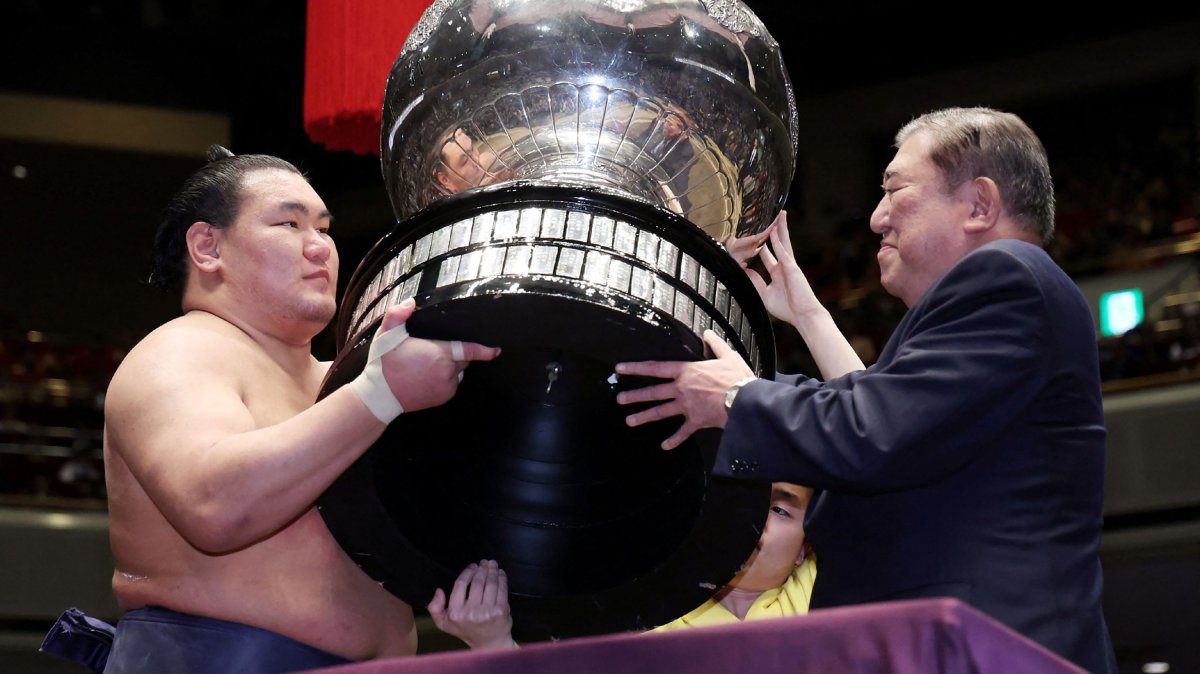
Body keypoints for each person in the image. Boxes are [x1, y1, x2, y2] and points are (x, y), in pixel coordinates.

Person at [615, 107, 1117, 673]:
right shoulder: (1002, 299)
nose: (876, 219)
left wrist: (737, 398)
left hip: (979, 650)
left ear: (979, 204)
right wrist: (804, 314)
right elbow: (892, 419)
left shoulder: (1007, 274)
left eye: (895, 191)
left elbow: (874, 430)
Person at [44, 145, 510, 673]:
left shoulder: (349, 383)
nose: (319, 248)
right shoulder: (180, 352)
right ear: (207, 247)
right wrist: (379, 392)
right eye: (289, 224)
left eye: (325, 229)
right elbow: (214, 507)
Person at [654, 482, 816, 630]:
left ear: (804, 548)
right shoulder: (651, 622)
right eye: (740, 500)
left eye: (779, 510)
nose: (754, 517)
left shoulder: (819, 594)